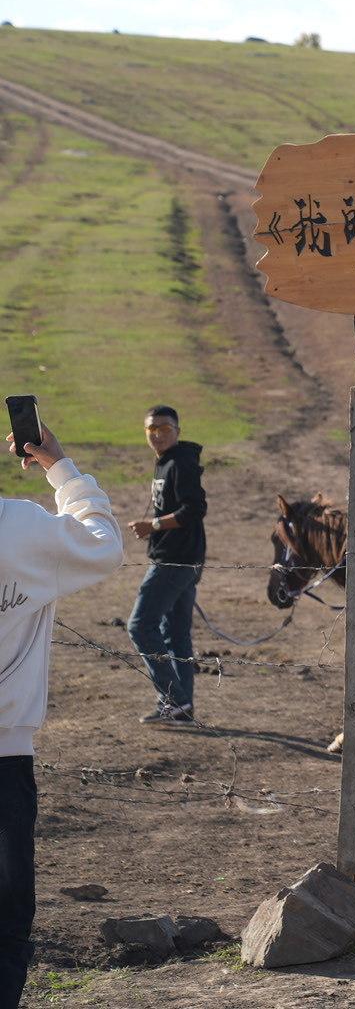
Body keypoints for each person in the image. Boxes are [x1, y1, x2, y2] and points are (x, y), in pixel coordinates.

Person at [1, 422, 123, 1009]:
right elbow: (103, 543)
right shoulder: (20, 529)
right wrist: (61, 468)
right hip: (5, 751)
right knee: (4, 917)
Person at [126, 405, 207, 725]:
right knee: (174, 633)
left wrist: (153, 526)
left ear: (178, 430)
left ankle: (173, 698)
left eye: (164, 428)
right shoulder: (166, 463)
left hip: (175, 561)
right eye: (151, 429)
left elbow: (195, 509)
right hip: (183, 559)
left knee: (140, 625)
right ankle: (181, 707)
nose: (157, 434)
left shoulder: (181, 463)